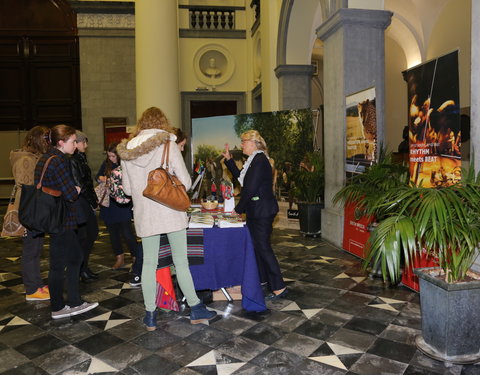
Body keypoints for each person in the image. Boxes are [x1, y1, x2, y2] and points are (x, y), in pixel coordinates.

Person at [117, 106, 216, 330]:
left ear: (141, 125)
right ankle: (196, 309)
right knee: (181, 262)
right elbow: (187, 183)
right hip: (171, 212)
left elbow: (129, 190)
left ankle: (150, 314)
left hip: (145, 214)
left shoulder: (126, 150)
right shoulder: (167, 144)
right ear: (162, 123)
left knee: (149, 264)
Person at [34, 124, 99, 319]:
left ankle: (73, 301)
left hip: (55, 218)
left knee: (74, 257)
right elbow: (70, 194)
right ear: (61, 142)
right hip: (62, 219)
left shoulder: (45, 158)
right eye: (72, 141)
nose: (75, 144)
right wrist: (77, 190)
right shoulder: (59, 161)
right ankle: (59, 306)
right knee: (59, 264)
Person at [222, 130, 287, 299]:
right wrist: (229, 160)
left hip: (262, 211)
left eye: (244, 141)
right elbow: (242, 180)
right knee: (257, 247)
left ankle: (279, 287)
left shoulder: (259, 161)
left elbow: (250, 189)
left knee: (263, 247)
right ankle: (263, 280)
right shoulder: (253, 160)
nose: (242, 144)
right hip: (256, 211)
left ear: (254, 143)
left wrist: (238, 209)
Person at [10, 126, 51, 301]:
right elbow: (27, 188)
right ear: (37, 140)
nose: (49, 142)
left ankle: (37, 283)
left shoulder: (33, 157)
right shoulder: (26, 159)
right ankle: (32, 289)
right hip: (29, 211)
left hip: (35, 210)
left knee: (36, 249)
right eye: (46, 138)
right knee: (31, 250)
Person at [95, 142, 139, 275]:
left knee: (127, 233)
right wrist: (102, 179)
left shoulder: (126, 163)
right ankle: (119, 258)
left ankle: (136, 259)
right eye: (109, 156)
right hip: (109, 204)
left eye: (113, 156)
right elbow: (97, 177)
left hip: (122, 203)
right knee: (113, 234)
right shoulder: (106, 163)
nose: (111, 159)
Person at [70, 131, 99, 283]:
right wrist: (93, 202)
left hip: (85, 200)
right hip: (80, 202)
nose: (86, 146)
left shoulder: (81, 158)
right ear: (76, 143)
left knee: (91, 234)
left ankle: (84, 267)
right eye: (84, 143)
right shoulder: (73, 160)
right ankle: (81, 269)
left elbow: (87, 183)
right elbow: (81, 185)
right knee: (85, 236)